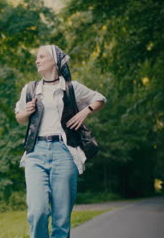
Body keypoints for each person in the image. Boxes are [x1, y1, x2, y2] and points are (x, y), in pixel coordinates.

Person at [14, 45, 107, 238]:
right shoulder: (30, 89)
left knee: (61, 218)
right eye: (36, 57)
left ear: (55, 61)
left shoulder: (71, 87)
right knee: (37, 211)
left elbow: (100, 99)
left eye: (41, 57)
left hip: (64, 153)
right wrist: (27, 111)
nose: (37, 60)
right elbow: (19, 117)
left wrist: (85, 112)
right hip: (36, 152)